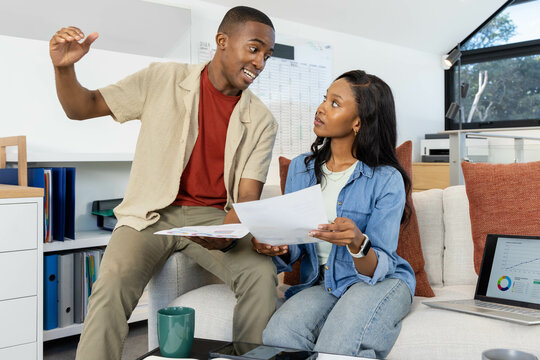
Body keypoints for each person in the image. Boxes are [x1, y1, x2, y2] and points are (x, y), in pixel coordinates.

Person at [49, 6, 278, 360]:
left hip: (214, 218)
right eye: (254, 48)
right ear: (222, 42)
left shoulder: (262, 120)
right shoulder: (163, 78)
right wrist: (65, 68)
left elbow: (247, 197)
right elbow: (83, 106)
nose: (260, 62)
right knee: (111, 285)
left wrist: (225, 237)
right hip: (151, 213)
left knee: (260, 277)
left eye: (267, 54)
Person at [258, 70, 416, 359]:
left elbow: (377, 267)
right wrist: (277, 247)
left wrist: (358, 244)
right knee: (277, 336)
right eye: (324, 99)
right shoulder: (300, 169)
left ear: (358, 121)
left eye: (335, 103)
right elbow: (294, 246)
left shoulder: (386, 179)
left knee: (337, 346)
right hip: (324, 282)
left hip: (378, 282)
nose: (321, 108)